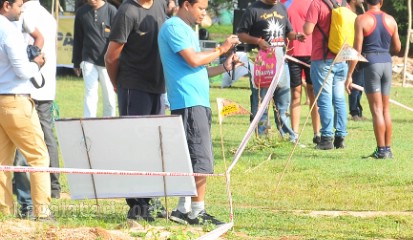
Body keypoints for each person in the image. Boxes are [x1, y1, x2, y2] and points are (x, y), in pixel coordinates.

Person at [158, 0, 238, 226]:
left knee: (190, 156)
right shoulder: (174, 27)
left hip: (195, 101)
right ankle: (196, 212)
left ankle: (183, 208)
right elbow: (194, 60)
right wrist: (221, 49)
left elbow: (200, 70)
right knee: (199, 157)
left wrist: (224, 66)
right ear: (186, 5)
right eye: (201, 8)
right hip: (188, 101)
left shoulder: (187, 30)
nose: (204, 13)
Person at [106, 0, 169, 222]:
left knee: (154, 146)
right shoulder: (127, 11)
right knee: (135, 145)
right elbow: (111, 56)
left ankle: (150, 199)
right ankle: (136, 206)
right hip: (134, 86)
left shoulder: (161, 5)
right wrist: (118, 84)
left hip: (157, 87)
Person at [0, 0, 50, 220]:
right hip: (15, 100)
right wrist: (37, 63)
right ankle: (42, 211)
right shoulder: (8, 30)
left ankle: (4, 212)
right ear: (6, 5)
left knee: (2, 163)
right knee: (38, 156)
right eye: (19, 5)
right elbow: (21, 70)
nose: (21, 10)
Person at [13, 0, 58, 212]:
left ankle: (28, 203)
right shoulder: (48, 16)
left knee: (25, 148)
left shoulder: (20, 16)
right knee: (46, 138)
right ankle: (55, 186)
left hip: (25, 89)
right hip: (44, 87)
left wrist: (32, 62)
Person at [237, 0, 305, 142]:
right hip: (260, 62)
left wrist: (296, 36)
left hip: (280, 62)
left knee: (283, 101)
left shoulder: (281, 8)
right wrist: (258, 41)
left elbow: (288, 32)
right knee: (261, 101)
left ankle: (287, 136)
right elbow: (241, 35)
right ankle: (262, 137)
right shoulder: (253, 10)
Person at [348, 0, 399, 159]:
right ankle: (388, 149)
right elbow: (397, 47)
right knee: (385, 109)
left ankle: (381, 150)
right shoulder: (391, 20)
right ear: (381, 2)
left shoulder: (362, 19)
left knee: (376, 110)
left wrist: (349, 74)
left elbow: (357, 49)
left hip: (371, 64)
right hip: (386, 63)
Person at [304, 0, 355, 150]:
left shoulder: (317, 4)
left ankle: (326, 138)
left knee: (324, 98)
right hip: (341, 58)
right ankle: (340, 136)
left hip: (322, 59)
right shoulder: (344, 4)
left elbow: (308, 29)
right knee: (339, 98)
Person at [73, 0, 117, 118]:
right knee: (90, 94)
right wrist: (76, 62)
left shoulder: (111, 11)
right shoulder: (81, 13)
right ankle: (88, 126)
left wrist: (116, 61)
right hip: (88, 60)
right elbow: (78, 38)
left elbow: (118, 38)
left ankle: (109, 124)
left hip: (107, 63)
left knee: (109, 96)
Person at [286, 0, 319, 144]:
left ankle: (317, 133)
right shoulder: (287, 4)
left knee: (313, 94)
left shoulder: (316, 3)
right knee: (296, 93)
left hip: (313, 54)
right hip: (293, 54)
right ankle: (294, 134)